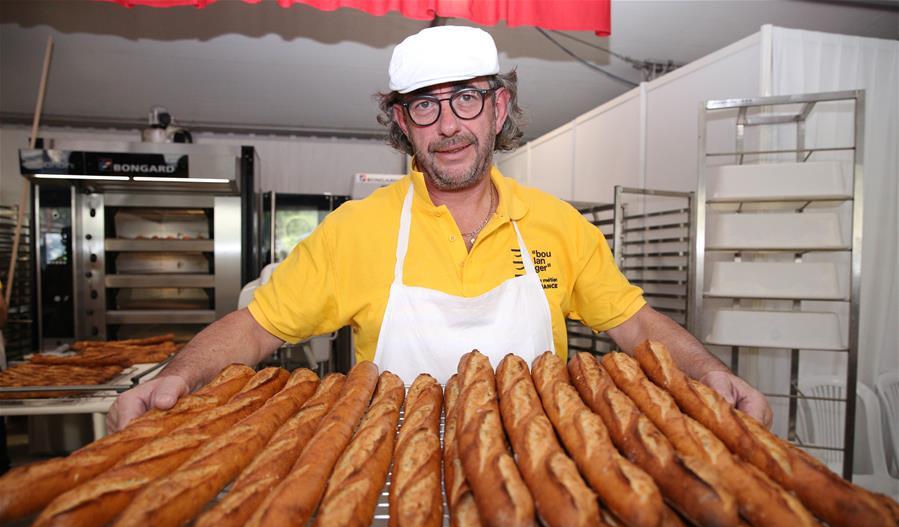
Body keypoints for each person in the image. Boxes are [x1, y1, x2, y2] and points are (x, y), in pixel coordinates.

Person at [107, 26, 772, 432]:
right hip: (391, 485)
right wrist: (177, 377)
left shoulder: (557, 226)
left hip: (538, 482)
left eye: (467, 98)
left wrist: (707, 370)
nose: (448, 124)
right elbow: (256, 327)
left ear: (497, 107)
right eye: (425, 105)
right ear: (400, 122)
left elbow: (633, 323)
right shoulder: (357, 230)